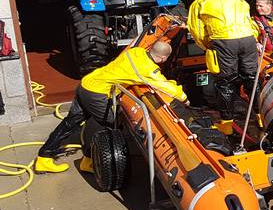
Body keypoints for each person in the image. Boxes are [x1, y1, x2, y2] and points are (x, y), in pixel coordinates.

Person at [33, 42, 187, 173]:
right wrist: (184, 98)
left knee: (70, 122)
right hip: (96, 93)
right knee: (111, 123)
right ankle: (88, 160)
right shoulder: (147, 70)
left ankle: (44, 157)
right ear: (162, 58)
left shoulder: (136, 52)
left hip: (87, 83)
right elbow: (166, 87)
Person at [187, 0, 261, 134]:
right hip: (248, 38)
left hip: (224, 40)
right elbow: (250, 21)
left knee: (225, 82)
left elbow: (197, 29)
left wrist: (208, 45)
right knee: (252, 78)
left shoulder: (200, 2)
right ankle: (260, 116)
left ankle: (226, 124)